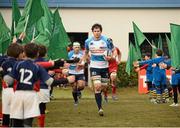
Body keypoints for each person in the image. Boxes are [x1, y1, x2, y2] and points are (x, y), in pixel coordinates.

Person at [3, 43, 75, 127]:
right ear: (37, 54)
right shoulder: (37, 67)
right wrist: (66, 80)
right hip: (30, 96)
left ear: (24, 53)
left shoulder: (18, 64)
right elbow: (50, 82)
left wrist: (4, 74)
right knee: (27, 123)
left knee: (16, 123)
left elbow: (8, 80)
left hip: (18, 95)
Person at [84, 23, 113, 116]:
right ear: (92, 32)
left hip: (105, 66)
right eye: (95, 31)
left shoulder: (106, 40)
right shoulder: (88, 41)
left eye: (98, 31)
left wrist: (110, 57)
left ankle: (103, 95)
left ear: (101, 31)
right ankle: (100, 108)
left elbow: (113, 50)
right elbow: (86, 51)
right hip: (94, 66)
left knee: (103, 87)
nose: (97, 33)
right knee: (97, 86)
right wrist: (87, 58)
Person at [1, 43, 24, 127]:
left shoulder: (4, 62)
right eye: (22, 52)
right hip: (16, 91)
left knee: (6, 116)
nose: (23, 54)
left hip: (6, 91)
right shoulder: (20, 64)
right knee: (17, 116)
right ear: (18, 53)